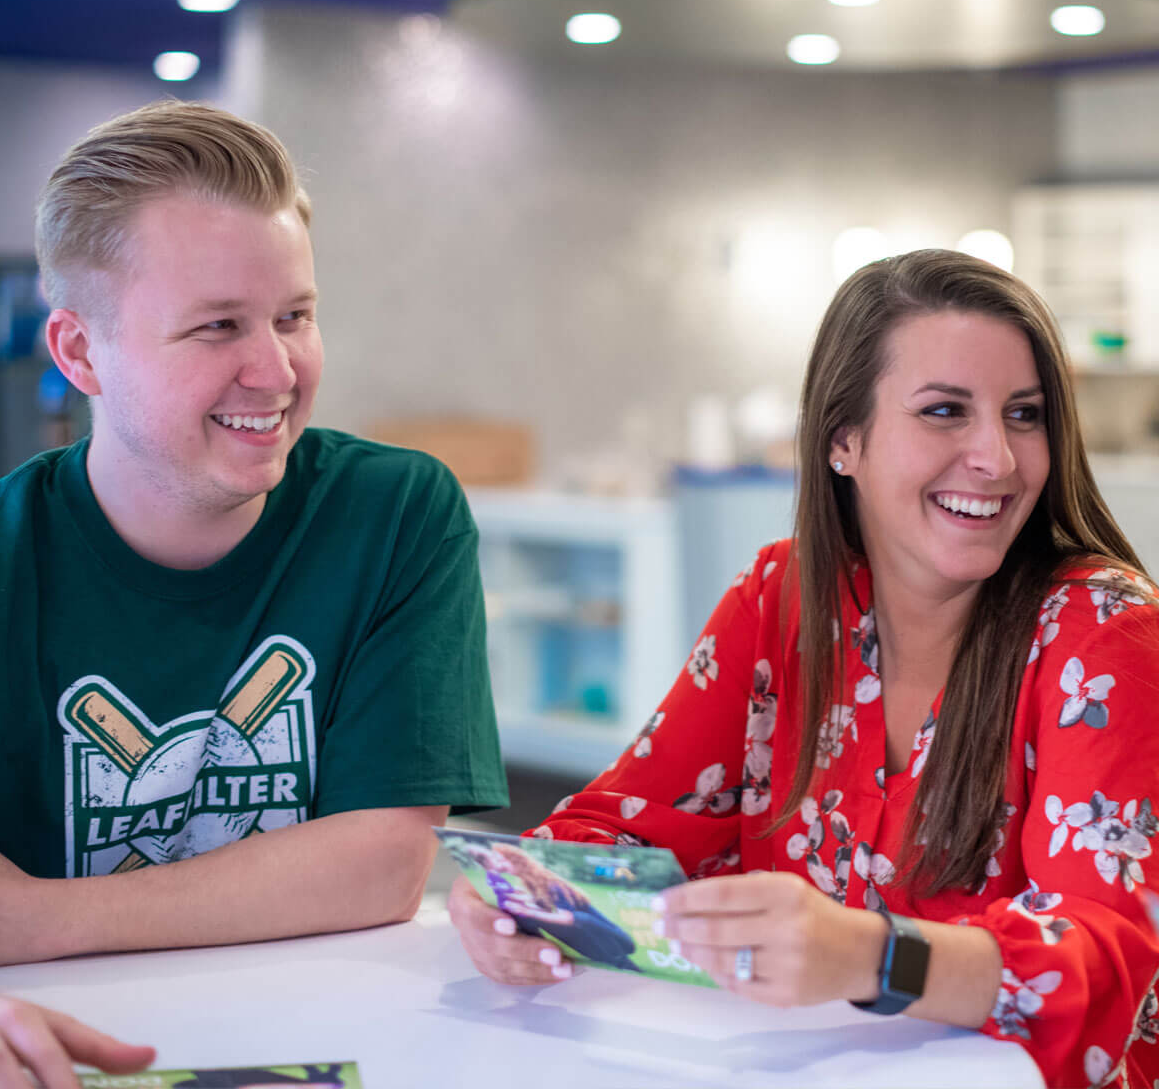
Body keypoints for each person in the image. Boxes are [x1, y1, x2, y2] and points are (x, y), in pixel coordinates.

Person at [449, 249, 1159, 1088]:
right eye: (944, 412)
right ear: (842, 442)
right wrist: (509, 892)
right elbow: (626, 823)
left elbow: (1108, 960)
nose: (997, 459)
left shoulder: (1105, 631)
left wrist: (875, 956)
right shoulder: (780, 598)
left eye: (1024, 414)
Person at [0, 101, 508, 1084]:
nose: (277, 369)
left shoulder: (395, 513)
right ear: (79, 352)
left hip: (332, 1043)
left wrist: (32, 914)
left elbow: (384, 866)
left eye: (295, 316)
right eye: (218, 327)